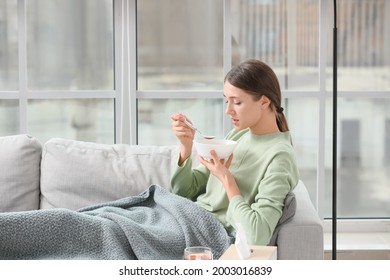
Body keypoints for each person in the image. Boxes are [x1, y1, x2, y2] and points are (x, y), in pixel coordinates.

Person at [170, 58, 299, 245]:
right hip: (186, 217)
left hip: (205, 231)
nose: (228, 111)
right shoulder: (237, 136)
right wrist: (186, 147)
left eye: (236, 102)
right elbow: (182, 192)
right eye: (226, 102)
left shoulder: (280, 157)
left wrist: (226, 179)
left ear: (264, 102)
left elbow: (257, 235)